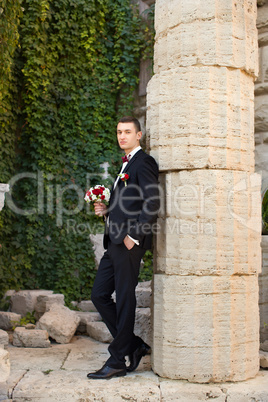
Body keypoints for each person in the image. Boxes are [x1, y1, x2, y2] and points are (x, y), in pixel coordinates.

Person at [87, 116, 160, 380]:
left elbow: (152, 203)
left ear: (139, 135)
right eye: (119, 132)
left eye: (127, 132)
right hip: (114, 240)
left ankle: (118, 360)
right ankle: (132, 345)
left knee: (125, 299)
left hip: (128, 242)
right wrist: (107, 210)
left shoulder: (145, 162)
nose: (122, 136)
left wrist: (135, 236)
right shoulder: (125, 164)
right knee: (99, 295)